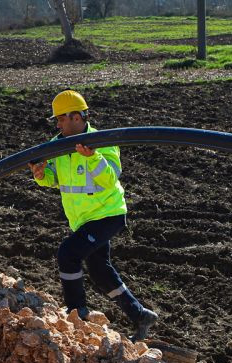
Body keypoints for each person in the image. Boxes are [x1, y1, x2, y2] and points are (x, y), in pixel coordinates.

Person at [30, 89, 157, 340]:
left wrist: (91, 157)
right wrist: (41, 175)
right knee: (99, 270)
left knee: (68, 253)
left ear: (77, 117)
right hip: (83, 220)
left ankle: (76, 312)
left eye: (61, 119)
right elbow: (54, 180)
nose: (58, 124)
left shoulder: (103, 141)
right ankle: (140, 314)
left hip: (108, 214)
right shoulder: (58, 145)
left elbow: (111, 178)